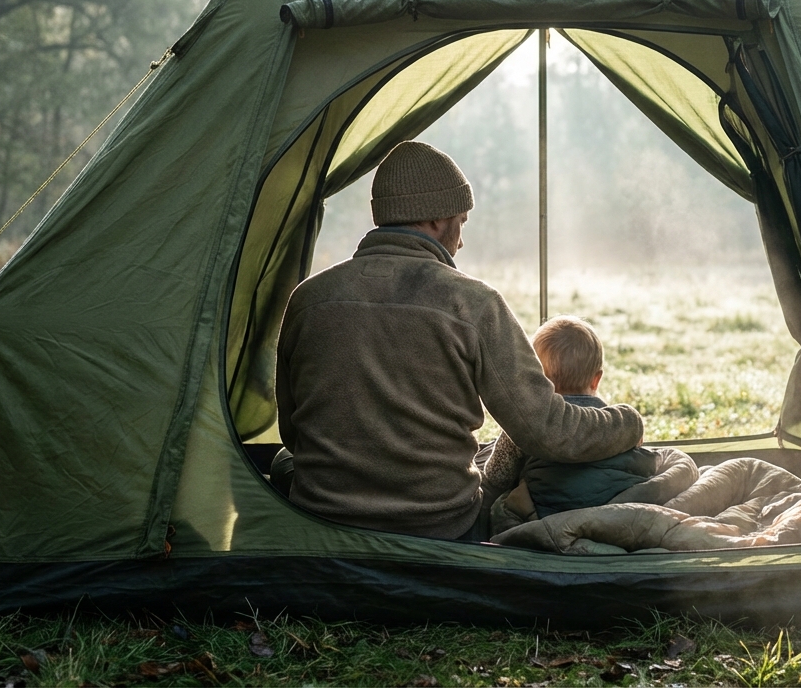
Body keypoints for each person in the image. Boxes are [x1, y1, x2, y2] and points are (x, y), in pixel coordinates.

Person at [275, 141, 644, 541]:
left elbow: (293, 434)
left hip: (321, 522)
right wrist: (627, 421)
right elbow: (548, 432)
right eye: (461, 221)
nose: (461, 241)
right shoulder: (473, 304)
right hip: (439, 527)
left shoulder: (308, 298)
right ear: (436, 219)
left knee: (280, 463)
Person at [482, 315, 663, 518]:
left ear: (538, 380)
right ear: (596, 380)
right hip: (610, 515)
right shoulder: (614, 424)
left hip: (544, 518)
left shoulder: (528, 422)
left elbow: (496, 477)